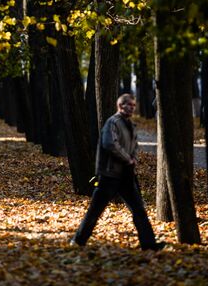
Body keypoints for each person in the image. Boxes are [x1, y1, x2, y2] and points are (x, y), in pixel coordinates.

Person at [70, 93, 165, 251]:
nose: (132, 108)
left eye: (134, 105)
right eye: (129, 105)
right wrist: (127, 158)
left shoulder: (130, 125)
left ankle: (149, 244)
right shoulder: (112, 123)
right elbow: (110, 144)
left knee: (139, 210)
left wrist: (133, 158)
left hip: (126, 176)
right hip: (109, 175)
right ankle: (78, 241)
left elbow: (134, 146)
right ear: (120, 106)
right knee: (95, 210)